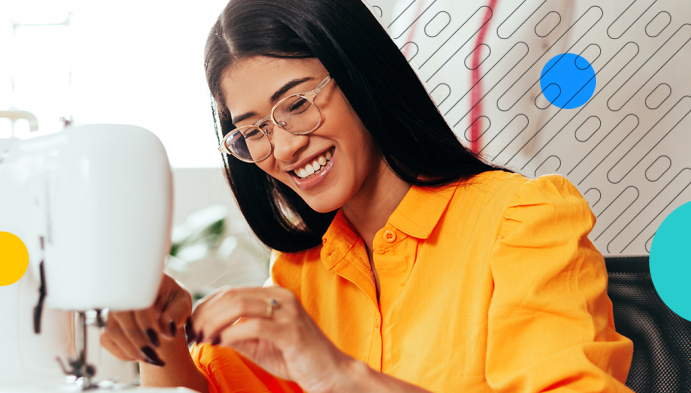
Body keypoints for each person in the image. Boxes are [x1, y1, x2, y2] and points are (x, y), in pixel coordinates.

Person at [100, 0, 634, 391]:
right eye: (254, 130)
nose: (284, 147)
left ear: (362, 77)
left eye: (297, 104)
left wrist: (338, 376)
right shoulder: (301, 273)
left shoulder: (522, 219)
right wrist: (162, 340)